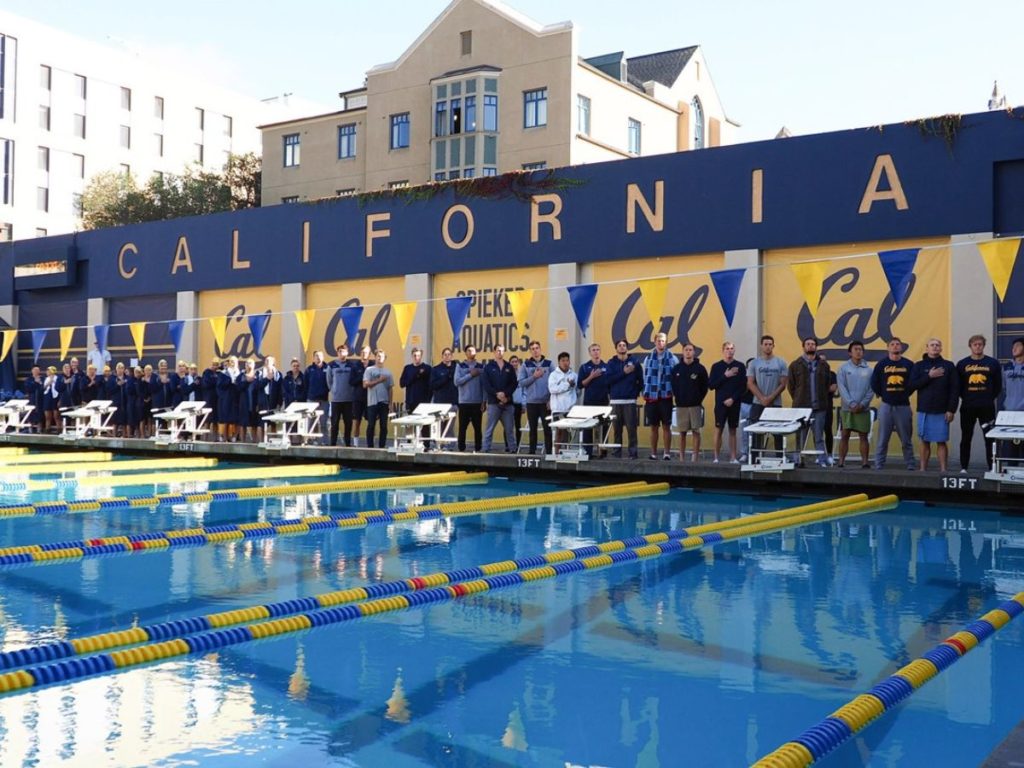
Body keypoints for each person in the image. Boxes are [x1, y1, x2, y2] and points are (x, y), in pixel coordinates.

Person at [910, 338, 959, 472]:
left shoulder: (949, 366)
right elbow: (912, 385)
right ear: (927, 348)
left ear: (941, 348)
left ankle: (943, 469)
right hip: (924, 409)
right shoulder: (918, 366)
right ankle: (922, 469)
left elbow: (955, 389)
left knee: (941, 441)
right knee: (924, 441)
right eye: (932, 345)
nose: (935, 347)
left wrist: (951, 410)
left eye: (938, 345)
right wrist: (929, 376)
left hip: (942, 410)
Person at [956, 334, 1002, 471]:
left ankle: (991, 467)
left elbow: (998, 386)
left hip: (986, 407)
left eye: (980, 344)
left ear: (984, 346)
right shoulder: (962, 364)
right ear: (970, 346)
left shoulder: (993, 363)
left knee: (990, 437)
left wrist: (988, 397)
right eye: (975, 344)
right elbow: (958, 386)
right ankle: (964, 467)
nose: (978, 347)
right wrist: (966, 397)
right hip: (968, 406)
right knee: (966, 437)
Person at [870, 338, 915, 470]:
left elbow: (912, 384)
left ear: (901, 347)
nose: (895, 346)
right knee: (883, 439)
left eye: (897, 344)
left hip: (903, 406)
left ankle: (910, 464)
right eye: (892, 344)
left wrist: (905, 394)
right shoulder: (881, 364)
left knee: (906, 439)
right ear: (888, 348)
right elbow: (874, 383)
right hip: (886, 405)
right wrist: (884, 394)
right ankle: (879, 464)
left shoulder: (908, 364)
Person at [787, 337, 832, 466]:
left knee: (818, 436)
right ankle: (799, 460)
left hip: (819, 407)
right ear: (803, 347)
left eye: (813, 344)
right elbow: (791, 386)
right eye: (808, 344)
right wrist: (798, 398)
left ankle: (821, 460)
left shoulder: (824, 365)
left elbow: (827, 384)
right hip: (801, 407)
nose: (810, 346)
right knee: (801, 436)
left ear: (816, 347)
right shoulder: (795, 365)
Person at [747, 335, 788, 456]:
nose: (768, 346)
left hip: (775, 403)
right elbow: (750, 383)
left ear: (773, 346)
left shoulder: (781, 362)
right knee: (756, 432)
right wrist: (762, 398)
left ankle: (780, 457)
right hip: (758, 403)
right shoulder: (754, 363)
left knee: (777, 432)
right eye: (765, 344)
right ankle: (754, 458)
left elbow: (783, 384)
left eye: (770, 344)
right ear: (761, 346)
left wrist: (770, 398)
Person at [836, 341, 874, 468]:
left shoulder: (869, 370)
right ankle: (841, 461)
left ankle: (865, 462)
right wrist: (851, 403)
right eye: (855, 349)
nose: (858, 351)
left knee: (863, 436)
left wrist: (862, 404)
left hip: (863, 409)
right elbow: (842, 387)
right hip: (848, 409)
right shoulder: (843, 368)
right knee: (844, 435)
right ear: (849, 352)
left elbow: (871, 389)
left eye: (860, 349)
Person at [670, 343, 709, 462]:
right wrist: (679, 398)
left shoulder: (700, 369)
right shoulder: (677, 369)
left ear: (694, 352)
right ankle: (681, 458)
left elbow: (704, 387)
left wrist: (698, 399)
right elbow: (674, 386)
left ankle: (694, 457)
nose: (688, 352)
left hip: (695, 405)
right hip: (681, 405)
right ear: (682, 352)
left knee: (696, 431)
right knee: (682, 432)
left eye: (690, 350)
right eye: (686, 350)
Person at [708, 342, 746, 463]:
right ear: (723, 350)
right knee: (718, 428)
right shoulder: (716, 366)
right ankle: (716, 457)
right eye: (727, 349)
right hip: (720, 403)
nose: (729, 351)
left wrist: (733, 399)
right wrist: (725, 375)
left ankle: (733, 457)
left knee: (733, 429)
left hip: (734, 403)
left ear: (734, 351)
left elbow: (742, 387)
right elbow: (711, 385)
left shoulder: (740, 366)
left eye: (731, 349)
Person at [643, 332, 678, 460]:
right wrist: (645, 392)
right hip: (652, 397)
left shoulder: (673, 358)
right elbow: (644, 376)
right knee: (653, 426)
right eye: (659, 341)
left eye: (663, 341)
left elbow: (676, 378)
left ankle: (667, 453)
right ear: (654, 342)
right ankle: (653, 453)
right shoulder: (648, 358)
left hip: (666, 396)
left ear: (666, 342)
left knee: (666, 426)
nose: (661, 343)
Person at [606, 339, 643, 459]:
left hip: (630, 401)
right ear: (616, 348)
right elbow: (609, 380)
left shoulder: (635, 362)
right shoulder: (611, 363)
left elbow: (640, 380)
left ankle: (633, 453)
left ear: (627, 347)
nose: (622, 347)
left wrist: (635, 393)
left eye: (624, 345)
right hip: (615, 401)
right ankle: (617, 453)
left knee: (631, 429)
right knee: (617, 430)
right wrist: (624, 372)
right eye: (619, 345)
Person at [518, 341, 553, 455]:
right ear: (530, 351)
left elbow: (555, 382)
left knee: (547, 429)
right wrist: (534, 376)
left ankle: (549, 452)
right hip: (532, 402)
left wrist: (550, 399)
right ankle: (532, 452)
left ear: (540, 349)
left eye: (537, 348)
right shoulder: (525, 365)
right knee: (533, 429)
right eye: (532, 348)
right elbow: (522, 383)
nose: (535, 350)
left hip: (545, 402)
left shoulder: (549, 364)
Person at [482, 345, 518, 453]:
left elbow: (514, 383)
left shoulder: (509, 367)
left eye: (502, 351)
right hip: (494, 403)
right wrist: (496, 394)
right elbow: (486, 384)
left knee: (509, 429)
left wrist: (505, 394)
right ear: (494, 351)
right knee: (489, 429)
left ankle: (512, 449)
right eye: (498, 350)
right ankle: (486, 449)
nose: (500, 352)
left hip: (508, 403)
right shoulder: (488, 367)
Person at [578, 343, 611, 456]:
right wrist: (591, 376)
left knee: (603, 428)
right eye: (593, 350)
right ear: (590, 353)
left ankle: (602, 450)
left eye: (598, 349)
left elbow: (610, 385)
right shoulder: (584, 367)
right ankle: (588, 451)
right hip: (589, 402)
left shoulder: (606, 367)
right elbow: (580, 385)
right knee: (588, 428)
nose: (596, 352)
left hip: (603, 402)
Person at [455, 345, 485, 452]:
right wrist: (470, 375)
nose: (471, 352)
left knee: (478, 428)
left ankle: (478, 448)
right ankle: (461, 448)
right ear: (465, 352)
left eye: (473, 350)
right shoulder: (460, 366)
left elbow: (484, 385)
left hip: (477, 402)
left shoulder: (481, 367)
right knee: (462, 427)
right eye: (469, 350)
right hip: (464, 402)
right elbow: (457, 382)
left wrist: (483, 401)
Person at [399, 347, 432, 445]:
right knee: (410, 424)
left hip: (423, 401)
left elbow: (431, 385)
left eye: (418, 355)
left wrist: (429, 400)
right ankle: (410, 443)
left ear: (421, 356)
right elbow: (402, 383)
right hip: (411, 400)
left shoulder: (427, 368)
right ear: (411, 356)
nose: (416, 358)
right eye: (414, 356)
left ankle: (426, 444)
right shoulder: (407, 368)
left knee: (425, 424)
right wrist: (416, 376)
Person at [326, 345, 358, 446]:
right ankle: (333, 443)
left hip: (348, 399)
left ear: (347, 353)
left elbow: (355, 380)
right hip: (336, 399)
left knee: (348, 423)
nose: (342, 353)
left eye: (344, 351)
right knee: (334, 423)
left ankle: (348, 443)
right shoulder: (331, 365)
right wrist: (334, 390)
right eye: (340, 351)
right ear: (337, 353)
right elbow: (329, 381)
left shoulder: (352, 365)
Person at [363, 349, 394, 448]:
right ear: (375, 357)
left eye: (382, 356)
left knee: (384, 426)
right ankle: (370, 446)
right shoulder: (369, 370)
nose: (380, 358)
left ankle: (382, 446)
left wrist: (390, 403)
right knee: (371, 425)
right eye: (378, 356)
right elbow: (365, 384)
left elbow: (390, 388)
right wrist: (379, 380)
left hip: (384, 402)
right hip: (372, 402)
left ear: (385, 358)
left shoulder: (388, 372)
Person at [548, 352, 577, 450]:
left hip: (570, 409)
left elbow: (578, 391)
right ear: (559, 362)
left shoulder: (574, 375)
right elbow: (552, 389)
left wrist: (572, 387)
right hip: (558, 408)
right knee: (559, 431)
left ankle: (567, 452)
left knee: (569, 432)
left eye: (567, 360)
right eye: (563, 361)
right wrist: (567, 385)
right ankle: (556, 453)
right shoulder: (553, 375)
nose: (565, 363)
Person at [431, 347, 459, 450]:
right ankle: (439, 445)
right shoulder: (436, 369)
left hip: (453, 402)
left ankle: (449, 445)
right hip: (440, 403)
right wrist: (445, 377)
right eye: (445, 355)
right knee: (439, 425)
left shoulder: (457, 368)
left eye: (449, 355)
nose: (447, 357)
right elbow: (433, 385)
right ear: (442, 356)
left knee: (450, 426)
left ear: (452, 356)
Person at [1001, 337, 1024, 461]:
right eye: (1013, 346)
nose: (1014, 348)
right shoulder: (1007, 367)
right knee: (1010, 446)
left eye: (1018, 345)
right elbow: (1004, 388)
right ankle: (1009, 472)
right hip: (1009, 412)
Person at [305, 350, 329, 445]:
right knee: (311, 422)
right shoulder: (309, 369)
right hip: (311, 400)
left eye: (320, 356)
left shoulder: (328, 368)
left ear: (323, 357)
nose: (318, 358)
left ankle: (325, 442)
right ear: (313, 358)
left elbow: (330, 382)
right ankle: (310, 441)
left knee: (324, 423)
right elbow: (306, 384)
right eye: (316, 356)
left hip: (324, 400)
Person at [350, 346, 371, 446]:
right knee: (357, 421)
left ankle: (370, 443)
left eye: (366, 352)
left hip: (370, 398)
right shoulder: (355, 366)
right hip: (358, 398)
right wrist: (362, 377)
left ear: (369, 354)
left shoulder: (373, 365)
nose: (364, 354)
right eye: (362, 352)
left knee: (371, 422)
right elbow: (351, 381)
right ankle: (356, 444)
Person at [23, 366, 44, 433]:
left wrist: (39, 383)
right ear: (32, 371)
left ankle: (39, 429)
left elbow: (44, 388)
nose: (36, 371)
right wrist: (35, 382)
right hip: (31, 399)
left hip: (40, 399)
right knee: (30, 414)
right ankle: (30, 428)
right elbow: (28, 389)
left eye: (38, 370)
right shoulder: (29, 379)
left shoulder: (42, 378)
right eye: (35, 370)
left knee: (40, 414)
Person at [509, 355, 525, 437]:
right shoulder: (506, 375)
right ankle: (508, 446)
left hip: (518, 404)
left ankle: (518, 445)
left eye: (516, 362)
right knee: (508, 426)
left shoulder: (521, 375)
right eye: (512, 362)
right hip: (509, 404)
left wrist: (523, 404)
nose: (514, 363)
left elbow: (524, 391)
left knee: (518, 425)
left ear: (518, 363)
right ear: (510, 363)